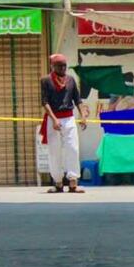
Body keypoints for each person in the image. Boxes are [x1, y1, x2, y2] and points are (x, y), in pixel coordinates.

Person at [39, 53, 89, 193]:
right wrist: (54, 119)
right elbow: (45, 102)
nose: (62, 68)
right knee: (54, 151)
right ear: (52, 66)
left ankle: (73, 182)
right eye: (59, 66)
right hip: (53, 119)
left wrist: (83, 114)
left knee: (73, 148)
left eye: (64, 66)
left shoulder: (71, 80)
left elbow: (77, 100)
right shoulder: (46, 80)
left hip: (69, 118)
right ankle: (58, 182)